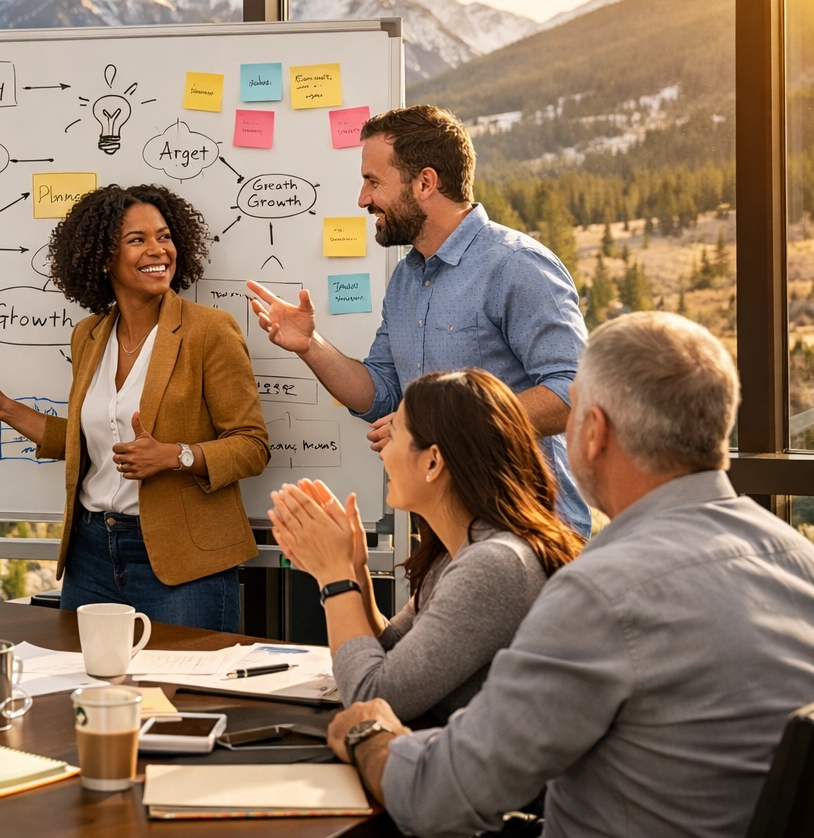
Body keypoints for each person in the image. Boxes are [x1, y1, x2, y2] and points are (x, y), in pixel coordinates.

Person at [327, 312, 814, 838]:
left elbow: (437, 796)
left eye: (572, 411)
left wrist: (369, 733)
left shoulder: (602, 595)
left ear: (594, 433)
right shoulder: (798, 562)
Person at [247, 104, 591, 536]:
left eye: (373, 181)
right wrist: (309, 345)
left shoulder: (515, 265)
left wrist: (441, 426)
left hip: (530, 531)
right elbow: (382, 394)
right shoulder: (407, 278)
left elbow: (573, 394)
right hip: (445, 533)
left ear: (425, 182)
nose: (363, 198)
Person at [0, 184, 269, 631]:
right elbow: (90, 442)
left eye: (164, 236)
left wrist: (175, 455)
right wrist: (5, 407)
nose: (158, 250)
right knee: (89, 689)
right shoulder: (89, 335)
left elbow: (252, 445)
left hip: (183, 560)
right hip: (92, 555)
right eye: (137, 240)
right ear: (104, 258)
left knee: (180, 698)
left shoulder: (209, 331)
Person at [269, 369, 582, 724]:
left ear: (433, 461)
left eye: (395, 435)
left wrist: (334, 577)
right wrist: (356, 573)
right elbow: (398, 653)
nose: (383, 451)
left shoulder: (494, 564)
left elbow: (375, 699)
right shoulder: (460, 550)